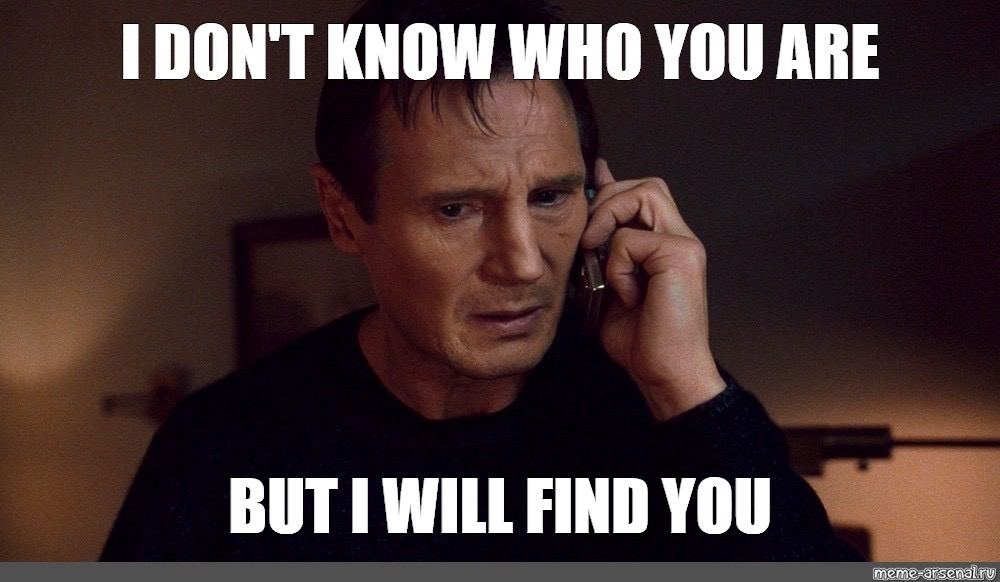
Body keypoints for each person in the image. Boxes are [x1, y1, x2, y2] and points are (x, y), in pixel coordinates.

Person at [102, 0, 863, 561]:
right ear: (342, 214)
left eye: (551, 197)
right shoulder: (222, 450)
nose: (524, 263)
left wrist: (689, 392)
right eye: (456, 209)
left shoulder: (670, 415)